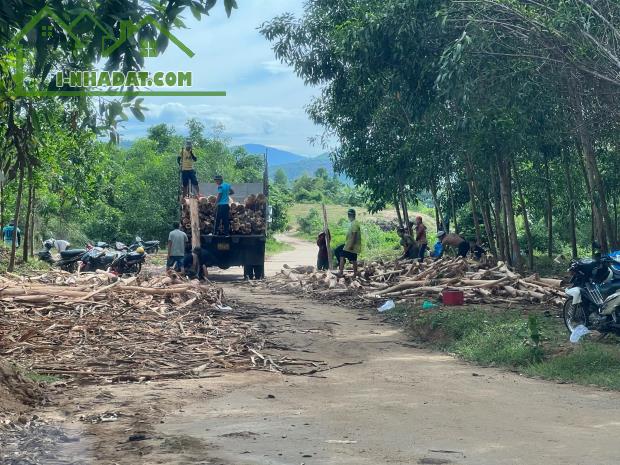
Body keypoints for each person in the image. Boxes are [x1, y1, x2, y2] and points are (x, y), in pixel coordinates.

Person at [335, 209, 361, 278]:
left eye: (349, 215)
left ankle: (340, 272)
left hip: (351, 245)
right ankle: (355, 273)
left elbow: (354, 235)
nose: (348, 216)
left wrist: (351, 245)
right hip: (350, 244)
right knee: (353, 258)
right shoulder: (354, 223)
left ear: (350, 215)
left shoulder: (354, 223)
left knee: (341, 254)